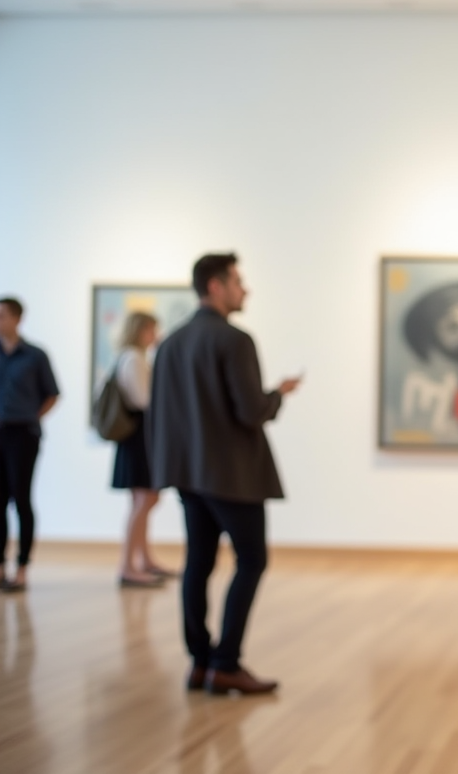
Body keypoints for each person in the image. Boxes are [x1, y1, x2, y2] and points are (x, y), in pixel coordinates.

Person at [146, 253, 300, 695]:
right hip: (232, 475)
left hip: (188, 474)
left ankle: (200, 662)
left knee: (199, 561)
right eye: (238, 281)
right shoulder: (235, 340)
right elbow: (251, 411)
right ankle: (226, 662)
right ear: (215, 285)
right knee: (252, 560)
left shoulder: (170, 344)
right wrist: (277, 395)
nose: (245, 289)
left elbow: (164, 415)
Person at [0, 297, 60, 593]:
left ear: (17, 318)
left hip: (23, 434)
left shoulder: (35, 355)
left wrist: (31, 417)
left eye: (3, 315)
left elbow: (52, 394)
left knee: (22, 499)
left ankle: (22, 567)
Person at [111, 311, 172, 588]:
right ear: (141, 330)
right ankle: (128, 566)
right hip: (140, 438)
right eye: (152, 329)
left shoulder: (133, 358)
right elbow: (144, 400)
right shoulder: (134, 359)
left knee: (143, 501)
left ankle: (144, 559)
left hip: (138, 437)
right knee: (145, 500)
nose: (155, 335)